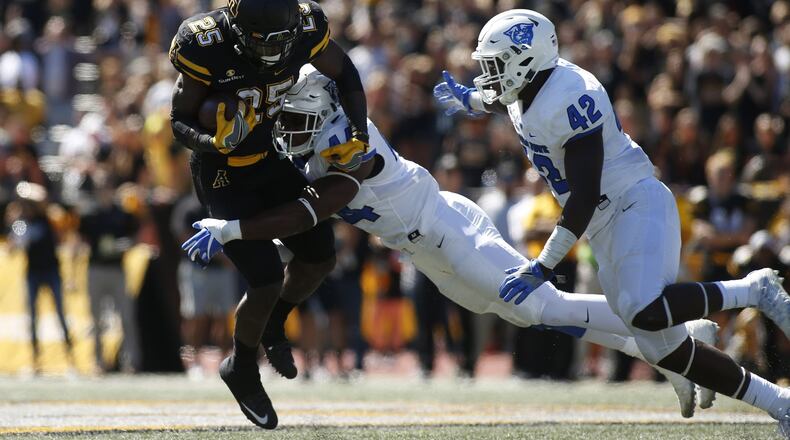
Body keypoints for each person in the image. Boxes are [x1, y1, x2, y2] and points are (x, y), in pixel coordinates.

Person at [182, 66, 719, 418]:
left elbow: (308, 213)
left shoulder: (351, 148)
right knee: (530, 314)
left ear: (327, 114)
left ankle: (675, 334)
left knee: (540, 308)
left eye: (300, 120)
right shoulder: (317, 140)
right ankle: (668, 353)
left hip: (448, 229)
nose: (290, 131)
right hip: (423, 247)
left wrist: (232, 230)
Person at [433, 9, 790, 434]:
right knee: (664, 350)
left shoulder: (570, 95)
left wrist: (543, 266)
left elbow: (583, 196)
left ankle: (754, 288)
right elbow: (500, 100)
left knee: (644, 310)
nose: (489, 77)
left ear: (524, 59)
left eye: (495, 65)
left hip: (632, 204)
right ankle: (781, 402)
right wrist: (470, 100)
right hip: (606, 220)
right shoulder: (528, 83)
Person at [168, 0, 369, 429]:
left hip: (271, 158)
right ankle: (240, 366)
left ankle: (274, 323)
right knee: (264, 278)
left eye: (285, 37)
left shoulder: (307, 21)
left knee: (320, 257)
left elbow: (345, 71)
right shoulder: (205, 42)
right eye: (266, 40)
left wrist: (359, 129)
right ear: (240, 29)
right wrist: (214, 141)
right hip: (222, 173)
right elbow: (180, 119)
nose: (278, 48)